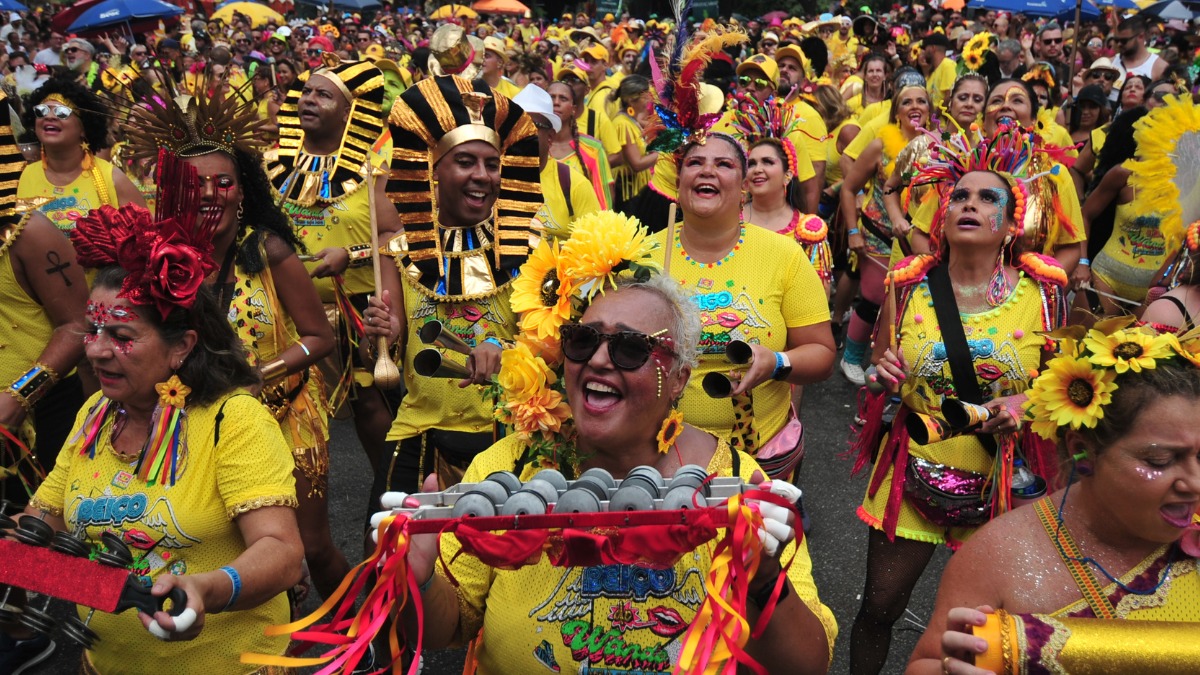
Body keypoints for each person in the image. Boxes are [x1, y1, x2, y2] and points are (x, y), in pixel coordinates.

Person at [380, 272, 838, 673]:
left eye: (631, 348)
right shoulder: (507, 467)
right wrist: (417, 579)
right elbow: (446, 627)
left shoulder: (735, 481)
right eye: (583, 340)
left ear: (679, 378)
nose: (598, 360)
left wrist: (763, 581)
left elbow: (807, 665)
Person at [26, 153, 304, 673]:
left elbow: (283, 553)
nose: (96, 350)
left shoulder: (232, 419)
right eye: (93, 330)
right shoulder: (95, 414)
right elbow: (43, 532)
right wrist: (18, 560)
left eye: (121, 335)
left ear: (181, 347)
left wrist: (207, 590)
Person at [847, 125, 1069, 674]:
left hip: (1004, 482)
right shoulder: (908, 287)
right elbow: (880, 371)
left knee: (991, 632)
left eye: (987, 197)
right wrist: (881, 377)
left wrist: (1025, 406)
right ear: (942, 218)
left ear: (1012, 225)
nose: (970, 204)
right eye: (960, 196)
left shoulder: (1045, 295)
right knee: (878, 609)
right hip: (916, 469)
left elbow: (1068, 389)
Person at [909, 329, 1200, 674]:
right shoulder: (997, 558)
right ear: (1082, 451)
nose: (1195, 483)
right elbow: (927, 663)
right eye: (1160, 461)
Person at [370, 73, 543, 499]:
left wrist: (505, 351)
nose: (482, 176)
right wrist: (383, 336)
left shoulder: (534, 247)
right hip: (419, 431)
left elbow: (550, 347)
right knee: (388, 537)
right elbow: (385, 362)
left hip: (507, 433)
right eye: (465, 162)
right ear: (434, 169)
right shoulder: (398, 252)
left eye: (492, 164)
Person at [656, 133, 835, 478]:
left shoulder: (783, 254)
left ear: (743, 186)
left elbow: (822, 354)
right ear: (678, 182)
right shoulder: (643, 256)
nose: (707, 171)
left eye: (723, 164)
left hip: (759, 458)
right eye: (695, 163)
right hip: (663, 457)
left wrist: (776, 363)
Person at [263, 55, 400, 477]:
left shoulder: (371, 171)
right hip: (284, 311)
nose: (309, 99)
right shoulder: (269, 165)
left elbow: (395, 235)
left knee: (370, 402)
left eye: (323, 95)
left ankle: (386, 487)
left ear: (347, 113)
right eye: (306, 91)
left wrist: (350, 255)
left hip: (354, 310)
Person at [0, 92, 91, 673]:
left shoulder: (30, 233)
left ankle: (120, 614)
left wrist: (19, 395)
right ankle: (18, 630)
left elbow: (78, 325)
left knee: (41, 536)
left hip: (36, 414)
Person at [839, 79, 933, 385]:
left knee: (909, 305)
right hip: (878, 232)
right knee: (875, 297)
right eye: (907, 102)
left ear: (930, 111)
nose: (914, 106)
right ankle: (852, 357)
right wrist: (852, 231)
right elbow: (849, 188)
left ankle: (894, 365)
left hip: (920, 237)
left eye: (921, 101)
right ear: (896, 113)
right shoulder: (880, 145)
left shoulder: (937, 147)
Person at [17, 78, 144, 233]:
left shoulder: (112, 179)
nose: (49, 116)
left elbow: (145, 238)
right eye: (41, 111)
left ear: (84, 128)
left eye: (61, 112)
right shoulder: (23, 176)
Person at [548, 80, 613, 209]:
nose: (556, 102)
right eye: (551, 97)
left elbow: (604, 202)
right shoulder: (533, 145)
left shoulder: (593, 149)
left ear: (573, 109)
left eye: (563, 98)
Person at [608, 75, 658, 211]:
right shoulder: (623, 124)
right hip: (627, 194)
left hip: (634, 192)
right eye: (645, 96)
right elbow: (636, 164)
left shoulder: (630, 120)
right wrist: (663, 152)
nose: (649, 99)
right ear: (631, 100)